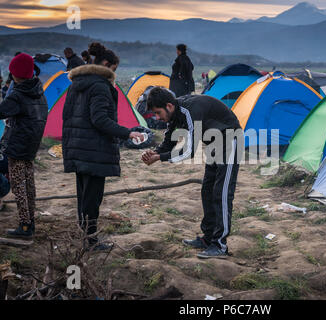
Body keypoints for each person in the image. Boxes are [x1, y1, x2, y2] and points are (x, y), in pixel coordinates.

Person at [62, 42, 145, 251]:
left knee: (83, 194)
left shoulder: (76, 83)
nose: (113, 75)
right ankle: (90, 241)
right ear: (107, 64)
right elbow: (99, 119)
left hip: (78, 146)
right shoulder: (99, 85)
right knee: (92, 197)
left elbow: (67, 115)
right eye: (114, 70)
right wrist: (127, 132)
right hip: (94, 149)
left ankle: (85, 235)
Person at [142, 87, 241, 259]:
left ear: (168, 106)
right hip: (213, 144)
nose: (157, 118)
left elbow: (190, 151)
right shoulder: (175, 114)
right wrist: (154, 152)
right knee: (207, 191)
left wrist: (160, 158)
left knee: (222, 193)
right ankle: (208, 239)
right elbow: (168, 142)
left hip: (230, 139)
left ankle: (220, 245)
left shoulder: (189, 111)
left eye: (158, 113)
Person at [0, 53, 48, 239]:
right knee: (29, 186)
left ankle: (25, 227)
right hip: (31, 147)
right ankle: (30, 222)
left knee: (19, 187)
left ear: (14, 74)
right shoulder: (38, 92)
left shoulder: (19, 95)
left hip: (17, 147)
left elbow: (1, 112)